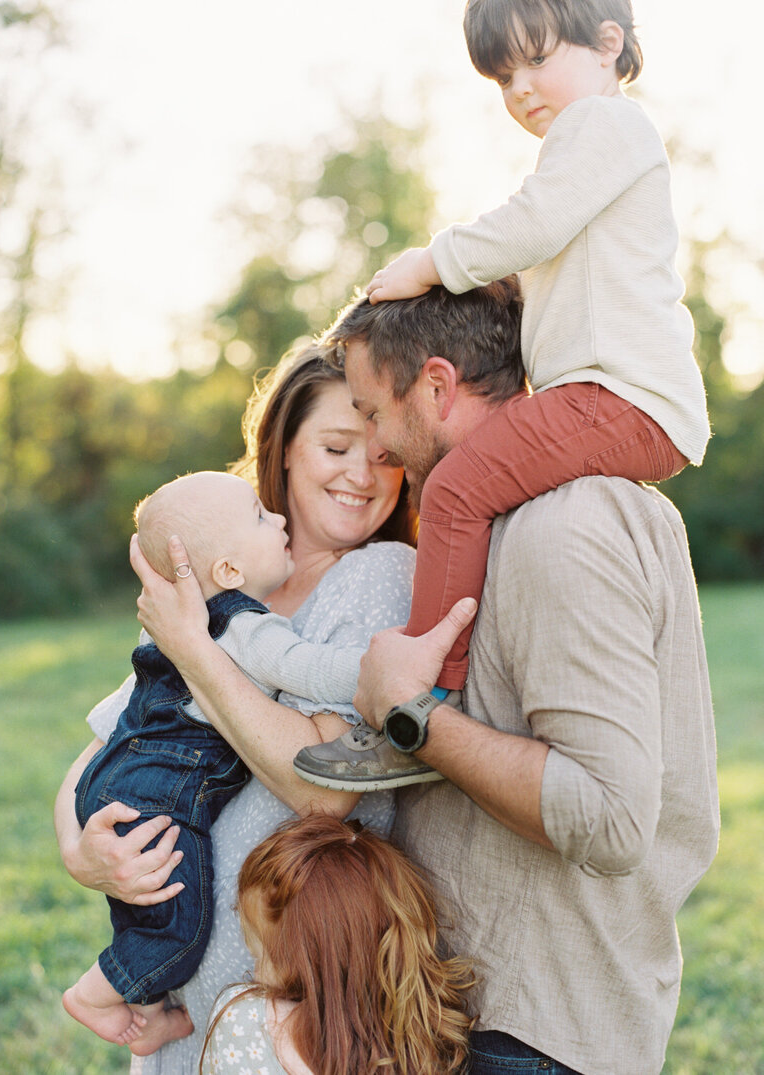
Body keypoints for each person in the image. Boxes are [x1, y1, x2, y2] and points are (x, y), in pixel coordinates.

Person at [294, 282, 720, 1074]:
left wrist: (407, 712)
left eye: (373, 412)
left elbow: (608, 814)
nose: (375, 446)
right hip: (492, 1012)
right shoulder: (500, 519)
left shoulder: (567, 525)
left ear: (437, 385)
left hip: (535, 1034)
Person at [54, 344, 417, 1073]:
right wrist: (81, 851)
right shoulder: (219, 588)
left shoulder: (379, 572)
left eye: (384, 451)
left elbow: (325, 789)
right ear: (283, 450)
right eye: (336, 446)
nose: (362, 472)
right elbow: (107, 750)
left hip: (283, 1003)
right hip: (174, 1000)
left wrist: (196, 649)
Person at [363, 0, 710, 696]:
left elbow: (533, 223)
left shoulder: (603, 122)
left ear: (608, 43)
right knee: (487, 485)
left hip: (618, 395)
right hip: (612, 395)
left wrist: (429, 263)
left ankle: (428, 687)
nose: (519, 88)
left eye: (537, 59)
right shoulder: (596, 148)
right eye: (502, 77)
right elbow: (540, 262)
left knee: (457, 486)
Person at [200, 814, 475, 1074]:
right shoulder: (415, 1051)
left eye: (266, 957)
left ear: (318, 962)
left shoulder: (245, 1023)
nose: (256, 974)